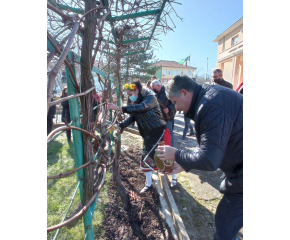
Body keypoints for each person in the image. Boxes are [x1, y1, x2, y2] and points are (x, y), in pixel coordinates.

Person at [156, 75, 243, 240]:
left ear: (184, 93)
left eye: (175, 102)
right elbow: (212, 143)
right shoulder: (209, 98)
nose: (177, 108)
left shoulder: (210, 105)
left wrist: (176, 154)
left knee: (225, 228)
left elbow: (210, 159)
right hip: (239, 168)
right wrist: (185, 164)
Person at [107, 81, 176, 192]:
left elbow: (142, 107)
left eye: (130, 95)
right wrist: (120, 126)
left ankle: (174, 177)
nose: (130, 98)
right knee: (146, 159)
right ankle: (148, 184)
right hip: (148, 135)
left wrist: (119, 108)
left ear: (136, 90)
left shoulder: (150, 98)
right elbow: (132, 118)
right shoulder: (137, 102)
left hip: (159, 133)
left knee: (165, 157)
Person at [151, 80, 176, 147]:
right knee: (161, 135)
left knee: (169, 134)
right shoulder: (156, 94)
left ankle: (172, 149)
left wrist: (169, 109)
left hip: (168, 118)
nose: (153, 90)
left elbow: (174, 103)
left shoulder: (167, 92)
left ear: (158, 86)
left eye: (153, 88)